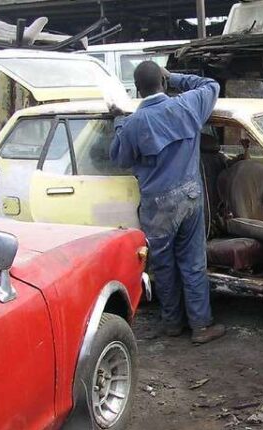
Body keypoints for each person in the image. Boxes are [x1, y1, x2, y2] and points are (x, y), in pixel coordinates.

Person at [109, 61, 226, 345]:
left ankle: (172, 324)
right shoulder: (187, 105)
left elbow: (120, 159)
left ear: (137, 89)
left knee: (163, 265)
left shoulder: (134, 123)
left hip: (157, 204)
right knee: (193, 263)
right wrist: (175, 78)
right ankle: (200, 326)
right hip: (189, 197)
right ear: (163, 81)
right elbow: (211, 85)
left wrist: (118, 122)